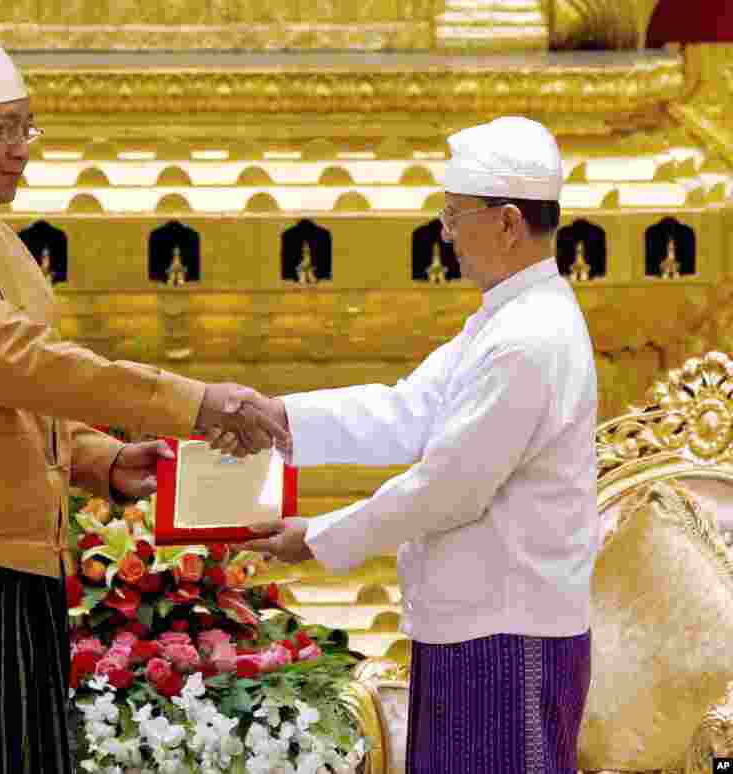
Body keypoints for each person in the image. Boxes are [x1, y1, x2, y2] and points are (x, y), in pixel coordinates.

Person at [0, 30, 287, 774]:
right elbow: (17, 363)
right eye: (0, 129)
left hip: (22, 566)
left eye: (25, 126)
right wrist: (191, 402)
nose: (20, 148)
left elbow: (25, 399)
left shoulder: (1, 247)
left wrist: (101, 460)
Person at [233, 117, 599, 774]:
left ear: (509, 223)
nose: (445, 233)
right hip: (470, 628)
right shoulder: (505, 320)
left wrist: (321, 536)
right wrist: (278, 417)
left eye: (455, 215)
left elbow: (449, 488)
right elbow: (408, 409)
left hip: (509, 638)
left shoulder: (529, 337)